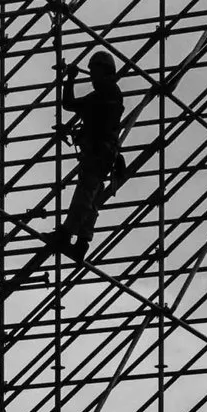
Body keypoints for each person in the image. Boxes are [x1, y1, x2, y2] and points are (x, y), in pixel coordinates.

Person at [44, 50, 129, 265]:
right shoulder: (102, 95)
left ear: (105, 71)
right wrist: (70, 80)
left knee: (84, 195)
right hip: (100, 154)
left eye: (94, 71)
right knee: (91, 198)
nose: (91, 76)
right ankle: (81, 243)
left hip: (99, 153)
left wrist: (70, 79)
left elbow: (80, 108)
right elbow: (69, 104)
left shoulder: (109, 93)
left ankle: (66, 234)